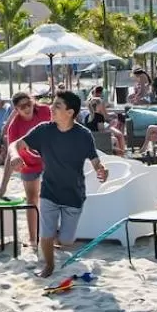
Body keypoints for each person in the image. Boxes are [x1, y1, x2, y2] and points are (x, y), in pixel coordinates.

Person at [15, 91, 107, 278]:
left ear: (70, 112)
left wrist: (101, 170)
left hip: (74, 195)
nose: (51, 108)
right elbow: (16, 144)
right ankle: (49, 265)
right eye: (52, 104)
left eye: (57, 105)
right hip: (49, 191)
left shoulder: (83, 135)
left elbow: (95, 160)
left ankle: (54, 237)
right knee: (46, 232)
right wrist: (15, 155)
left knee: (66, 240)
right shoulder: (43, 130)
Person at [0, 92, 52, 244]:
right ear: (16, 109)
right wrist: (3, 186)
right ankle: (33, 239)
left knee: (52, 197)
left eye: (29, 104)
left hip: (50, 160)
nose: (27, 108)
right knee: (32, 199)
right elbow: (10, 155)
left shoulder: (45, 111)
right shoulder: (14, 127)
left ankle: (52, 235)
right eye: (22, 106)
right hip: (29, 163)